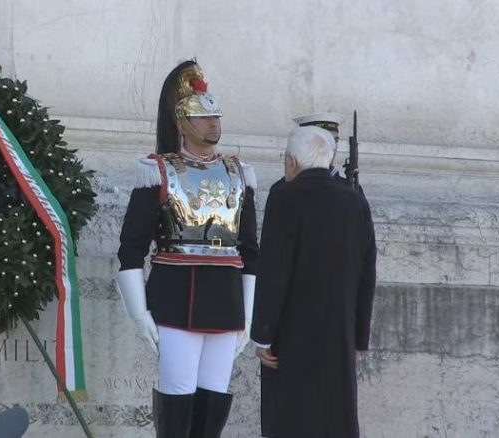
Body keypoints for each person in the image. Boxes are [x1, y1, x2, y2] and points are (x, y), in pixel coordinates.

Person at [115, 60, 259, 437]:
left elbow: (250, 252)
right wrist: (139, 312)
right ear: (182, 124)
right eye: (203, 117)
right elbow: (131, 250)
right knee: (177, 399)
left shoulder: (240, 173)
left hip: (226, 305)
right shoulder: (158, 170)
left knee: (213, 402)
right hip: (177, 302)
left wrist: (248, 313)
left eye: (216, 116)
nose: (214, 123)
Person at [251, 126, 377, 438]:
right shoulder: (355, 202)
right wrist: (360, 338)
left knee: (291, 419)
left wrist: (263, 334)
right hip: (340, 335)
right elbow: (367, 274)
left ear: (292, 161)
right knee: (335, 419)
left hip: (291, 338)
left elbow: (273, 270)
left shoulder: (285, 197)